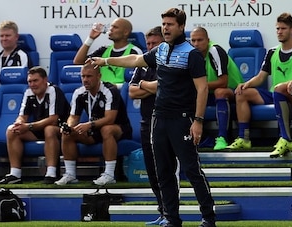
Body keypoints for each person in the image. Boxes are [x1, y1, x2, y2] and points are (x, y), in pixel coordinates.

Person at [89, 8, 216, 227]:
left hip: (183, 119)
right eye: (164, 24)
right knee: (163, 173)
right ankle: (172, 219)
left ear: (181, 27)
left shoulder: (191, 53)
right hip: (159, 119)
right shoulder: (160, 50)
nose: (166, 28)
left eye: (170, 24)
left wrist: (198, 121)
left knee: (192, 170)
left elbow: (202, 89)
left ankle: (208, 218)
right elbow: (136, 59)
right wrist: (107, 61)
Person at [227, 12, 292, 150]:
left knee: (282, 91)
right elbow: (261, 77)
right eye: (277, 29)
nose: (279, 32)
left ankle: (285, 139)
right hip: (274, 94)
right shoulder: (272, 52)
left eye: (283, 28)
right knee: (241, 93)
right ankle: (243, 138)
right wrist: (245, 85)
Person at [129, 26, 180, 226]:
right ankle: (162, 212)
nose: (150, 47)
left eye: (154, 44)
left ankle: (171, 214)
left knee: (166, 170)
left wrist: (144, 86)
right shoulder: (142, 64)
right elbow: (132, 92)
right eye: (148, 44)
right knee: (152, 172)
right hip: (146, 123)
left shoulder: (172, 61)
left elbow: (164, 86)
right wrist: (148, 87)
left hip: (167, 121)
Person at [54, 63, 132, 186]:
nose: (85, 80)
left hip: (119, 129)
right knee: (67, 133)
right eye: (83, 76)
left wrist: (89, 125)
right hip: (94, 130)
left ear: (99, 76)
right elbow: (73, 117)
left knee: (107, 129)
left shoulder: (109, 91)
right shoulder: (79, 93)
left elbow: (110, 119)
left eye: (89, 76)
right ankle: (70, 174)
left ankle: (109, 174)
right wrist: (68, 126)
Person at [0, 66, 70, 184]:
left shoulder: (54, 91)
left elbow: (53, 119)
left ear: (45, 80)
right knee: (11, 130)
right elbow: (23, 116)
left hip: (60, 130)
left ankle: (51, 173)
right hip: (37, 129)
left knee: (49, 129)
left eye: (35, 81)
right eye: (30, 81)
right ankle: (15, 174)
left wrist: (28, 126)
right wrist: (19, 123)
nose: (32, 84)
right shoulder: (28, 93)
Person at [190, 27, 244, 150]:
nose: (196, 44)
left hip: (235, 91)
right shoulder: (192, 55)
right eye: (193, 41)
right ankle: (196, 138)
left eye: (200, 40)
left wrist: (200, 86)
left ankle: (222, 138)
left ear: (207, 40)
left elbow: (223, 82)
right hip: (209, 93)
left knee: (220, 92)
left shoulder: (215, 50)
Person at [73, 18, 143, 85]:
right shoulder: (104, 49)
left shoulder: (135, 51)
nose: (111, 29)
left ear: (125, 32)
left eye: (115, 27)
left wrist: (117, 86)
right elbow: (78, 62)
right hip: (102, 92)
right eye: (111, 27)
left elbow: (138, 79)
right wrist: (91, 38)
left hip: (122, 93)